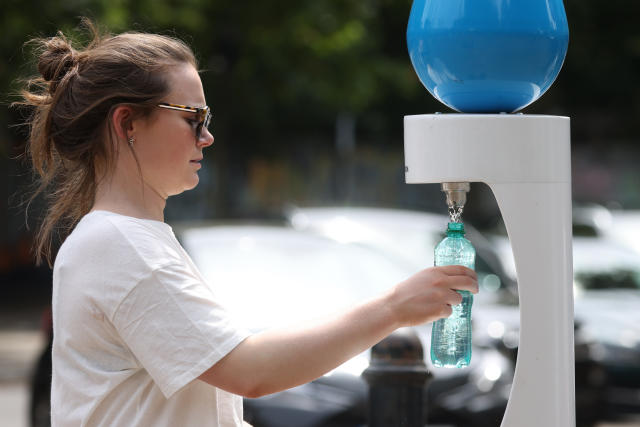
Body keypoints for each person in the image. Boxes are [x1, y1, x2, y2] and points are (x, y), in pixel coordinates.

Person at [17, 20, 478, 427]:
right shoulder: (121, 244)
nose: (208, 136)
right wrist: (395, 307)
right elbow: (250, 372)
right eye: (194, 118)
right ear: (127, 123)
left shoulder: (123, 239)